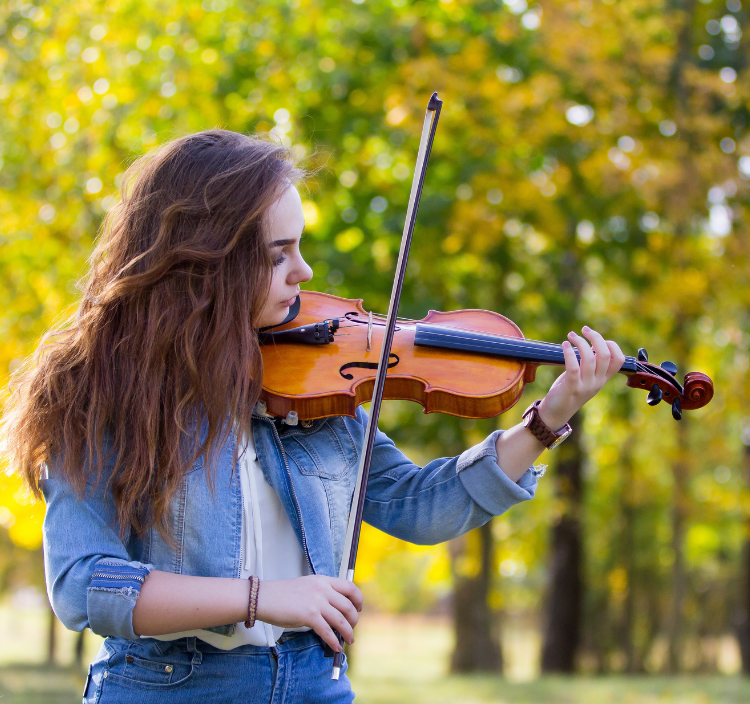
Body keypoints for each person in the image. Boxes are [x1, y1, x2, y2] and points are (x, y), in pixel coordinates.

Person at [1, 130, 625, 703]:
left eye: (299, 248)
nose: (302, 273)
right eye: (278, 255)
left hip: (311, 682)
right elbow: (86, 586)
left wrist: (548, 417)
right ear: (208, 260)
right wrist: (264, 600)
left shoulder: (316, 381)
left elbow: (418, 504)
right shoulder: (101, 391)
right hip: (169, 686)